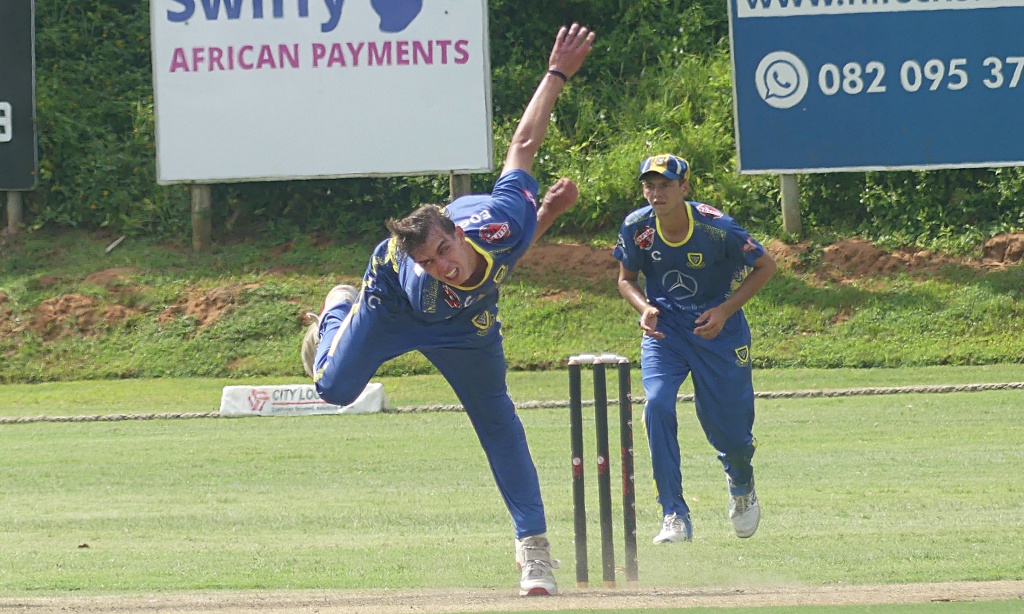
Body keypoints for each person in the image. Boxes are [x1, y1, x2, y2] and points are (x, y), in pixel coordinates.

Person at [300, 24, 595, 597]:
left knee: (498, 420)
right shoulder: (423, 278)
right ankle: (338, 310)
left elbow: (523, 145)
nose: (445, 264)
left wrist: (556, 73)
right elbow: (453, 279)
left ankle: (534, 551)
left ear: (459, 232)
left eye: (444, 251)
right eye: (433, 262)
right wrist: (425, 271)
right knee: (334, 389)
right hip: (392, 304)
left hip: (466, 328)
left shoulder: (506, 219)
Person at [612, 154, 777, 544]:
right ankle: (674, 512)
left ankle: (740, 481)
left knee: (732, 433)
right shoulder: (637, 228)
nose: (656, 193)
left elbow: (766, 266)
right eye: (649, 186)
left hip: (717, 331)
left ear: (684, 188)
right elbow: (625, 279)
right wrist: (645, 308)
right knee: (658, 404)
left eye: (665, 185)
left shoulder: (717, 228)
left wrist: (723, 310)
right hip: (666, 332)